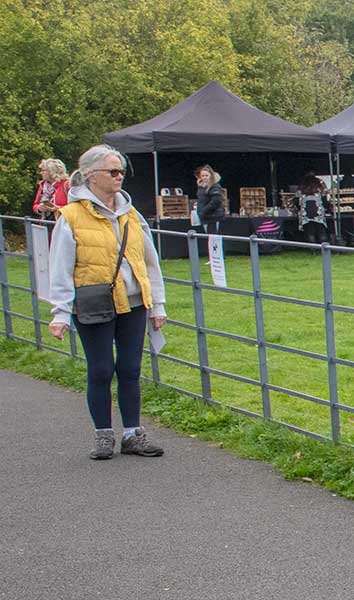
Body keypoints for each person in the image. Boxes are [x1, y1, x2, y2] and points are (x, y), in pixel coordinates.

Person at [44, 145, 168, 459]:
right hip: (93, 301)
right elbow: (60, 267)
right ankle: (103, 434)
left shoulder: (131, 214)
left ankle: (132, 434)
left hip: (134, 302)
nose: (119, 177)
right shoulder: (71, 217)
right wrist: (60, 313)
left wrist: (158, 305)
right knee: (100, 370)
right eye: (112, 171)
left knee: (130, 368)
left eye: (121, 171)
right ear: (91, 176)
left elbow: (150, 261)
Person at [193, 165, 226, 234]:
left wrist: (204, 211)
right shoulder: (201, 187)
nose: (204, 177)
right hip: (205, 218)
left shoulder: (215, 186)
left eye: (206, 175)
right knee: (208, 236)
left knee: (214, 237)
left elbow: (216, 201)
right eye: (203, 176)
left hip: (214, 217)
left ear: (211, 176)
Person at [299, 170, 329, 244]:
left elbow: (297, 201)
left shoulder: (302, 188)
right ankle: (324, 247)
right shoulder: (319, 187)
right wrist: (327, 208)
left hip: (306, 214)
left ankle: (313, 248)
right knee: (322, 233)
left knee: (310, 233)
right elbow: (325, 200)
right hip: (318, 213)